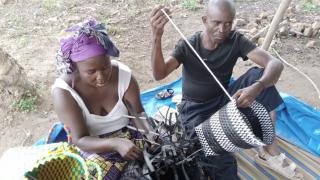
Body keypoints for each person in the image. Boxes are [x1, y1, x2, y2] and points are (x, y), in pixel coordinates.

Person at [150, 0, 302, 179]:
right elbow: (159, 74)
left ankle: (268, 149)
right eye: (216, 22)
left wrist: (257, 87)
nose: (222, 29)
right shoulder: (188, 45)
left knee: (259, 76)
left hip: (223, 101)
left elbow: (274, 64)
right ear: (205, 20)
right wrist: (157, 36)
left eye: (228, 23)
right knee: (220, 163)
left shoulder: (235, 40)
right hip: (195, 112)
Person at [52, 18, 153, 180]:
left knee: (161, 161)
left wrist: (150, 135)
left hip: (130, 134)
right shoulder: (64, 93)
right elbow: (80, 139)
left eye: (106, 67)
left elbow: (138, 114)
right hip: (93, 145)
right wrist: (115, 143)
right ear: (75, 68)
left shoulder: (124, 76)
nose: (101, 77)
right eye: (91, 72)